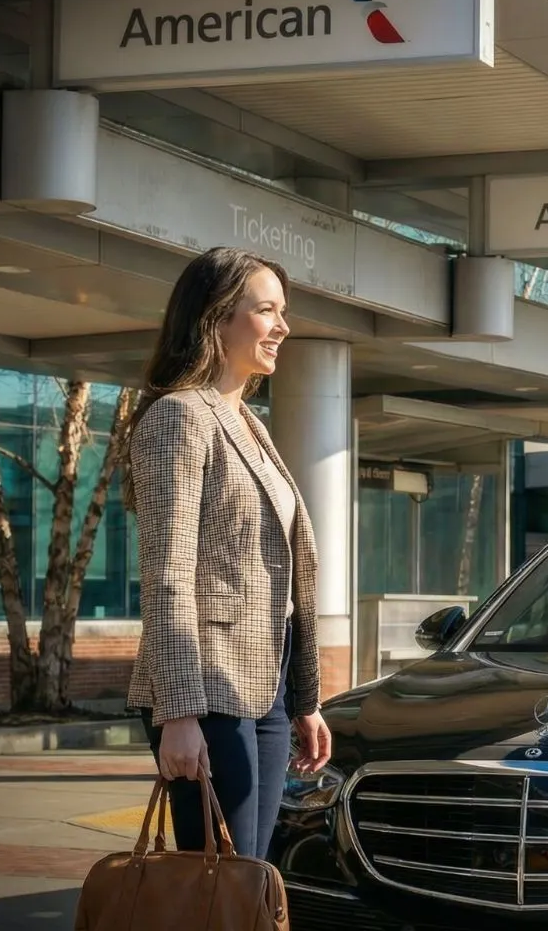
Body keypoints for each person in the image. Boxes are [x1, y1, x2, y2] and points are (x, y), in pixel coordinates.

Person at [123, 245, 332, 860]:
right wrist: (178, 714)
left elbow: (280, 577)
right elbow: (168, 576)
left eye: (283, 311)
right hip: (205, 686)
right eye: (267, 311)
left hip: (263, 685)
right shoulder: (179, 418)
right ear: (216, 318)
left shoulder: (247, 422)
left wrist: (304, 701)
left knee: (249, 875)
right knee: (218, 878)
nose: (283, 327)